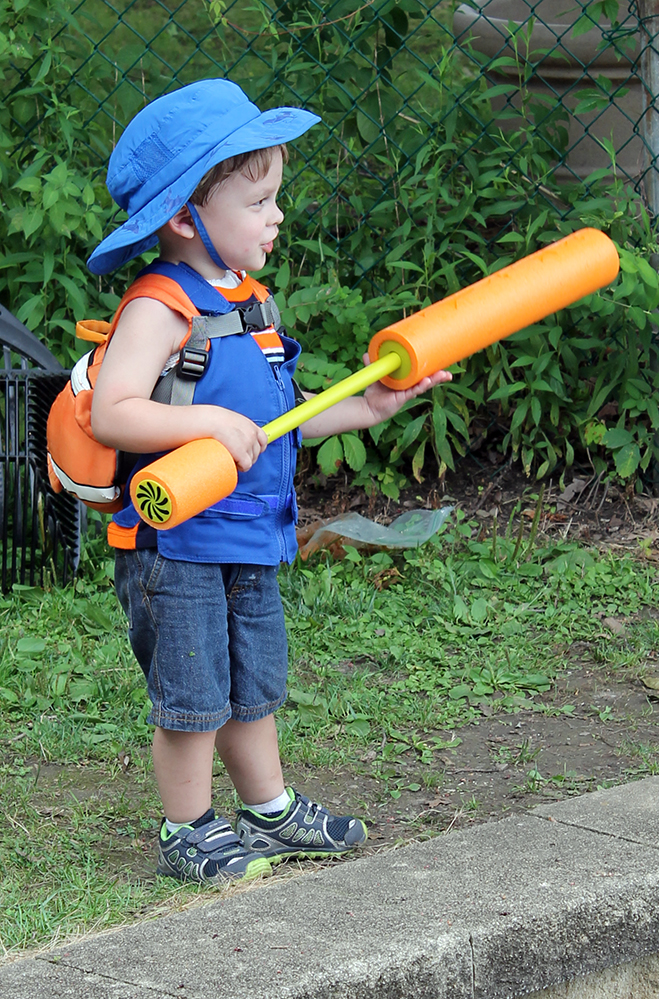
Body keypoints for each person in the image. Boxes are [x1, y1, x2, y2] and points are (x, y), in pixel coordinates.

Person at [89, 78, 451, 885]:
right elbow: (115, 411)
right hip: (174, 540)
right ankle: (186, 828)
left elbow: (280, 414)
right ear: (186, 219)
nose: (276, 216)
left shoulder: (252, 304)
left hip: (246, 533)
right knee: (194, 692)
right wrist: (203, 424)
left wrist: (370, 406)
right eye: (258, 201)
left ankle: (269, 808)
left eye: (275, 197)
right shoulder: (160, 305)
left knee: (252, 684)